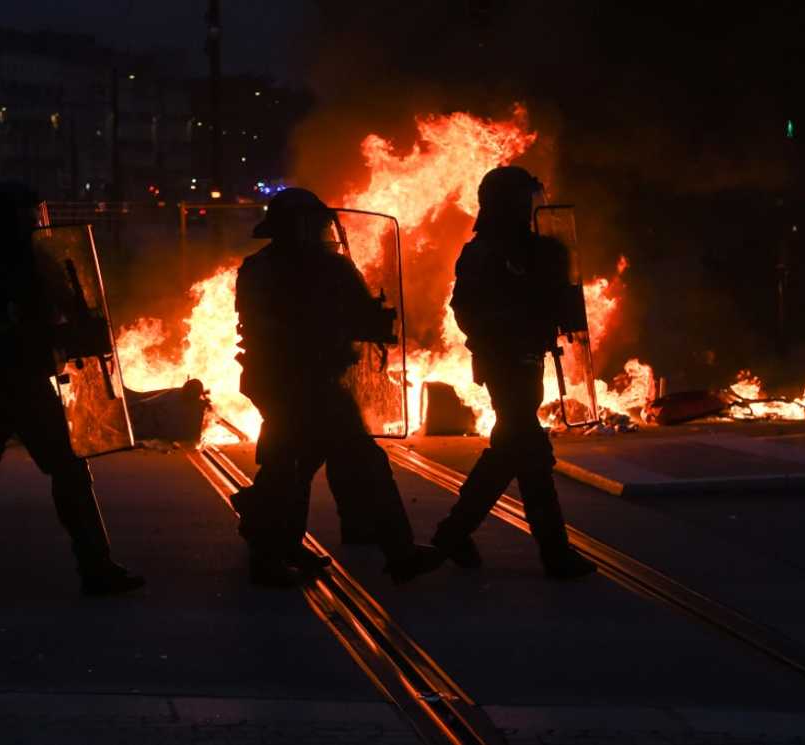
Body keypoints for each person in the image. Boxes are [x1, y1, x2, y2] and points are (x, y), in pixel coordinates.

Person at [233, 187, 443, 587]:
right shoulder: (329, 268)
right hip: (311, 383)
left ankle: (268, 535)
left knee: (291, 463)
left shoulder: (256, 268)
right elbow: (358, 318)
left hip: (273, 381)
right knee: (355, 463)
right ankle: (400, 554)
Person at [0, 180, 143, 596]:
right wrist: (14, 333)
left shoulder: (34, 260)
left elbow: (66, 308)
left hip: (26, 379)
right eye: (29, 212)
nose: (37, 219)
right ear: (10, 218)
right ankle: (95, 566)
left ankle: (95, 565)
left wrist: (80, 328)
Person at [430, 166, 596, 580]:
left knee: (513, 450)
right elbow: (465, 310)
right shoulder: (484, 252)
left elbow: (556, 300)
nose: (530, 208)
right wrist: (511, 324)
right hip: (503, 361)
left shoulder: (534, 250)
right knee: (529, 451)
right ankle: (551, 553)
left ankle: (453, 535)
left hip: (527, 359)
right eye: (522, 200)